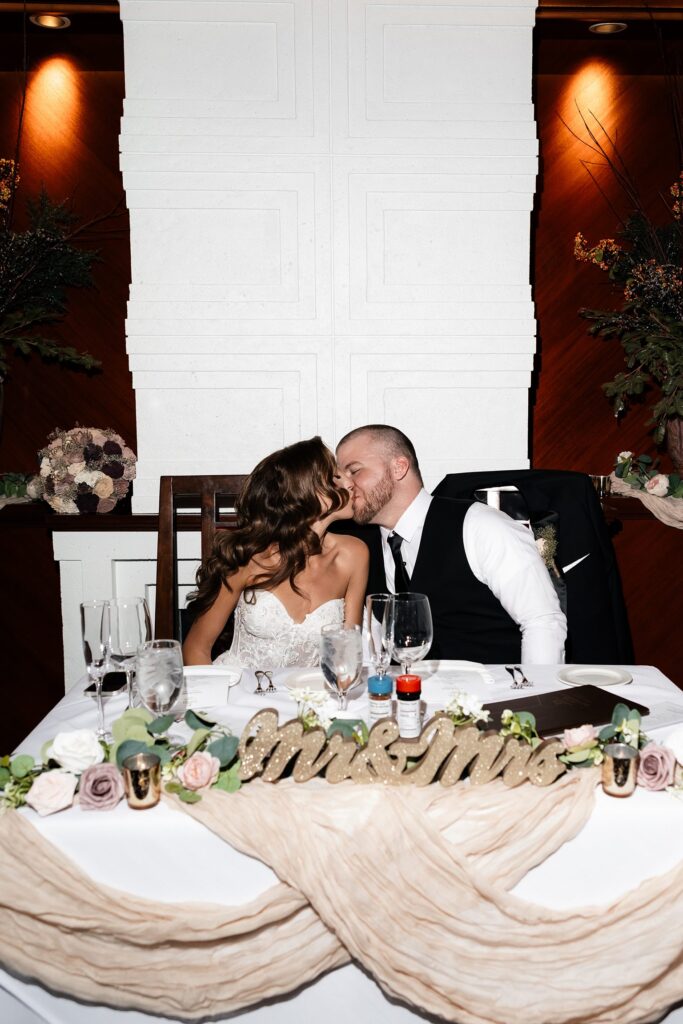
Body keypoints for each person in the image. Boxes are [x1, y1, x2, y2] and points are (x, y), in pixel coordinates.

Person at [335, 425, 566, 664]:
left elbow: (542, 622)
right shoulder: (361, 549)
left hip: (494, 694)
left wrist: (535, 697)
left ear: (399, 468)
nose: (346, 485)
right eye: (341, 476)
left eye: (354, 471)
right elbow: (373, 646)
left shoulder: (480, 525)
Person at [182, 437, 369, 668]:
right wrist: (213, 702)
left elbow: (348, 653)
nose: (351, 483)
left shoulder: (354, 554)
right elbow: (196, 648)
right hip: (242, 694)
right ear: (303, 491)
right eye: (335, 477)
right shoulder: (251, 558)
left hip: (310, 697)